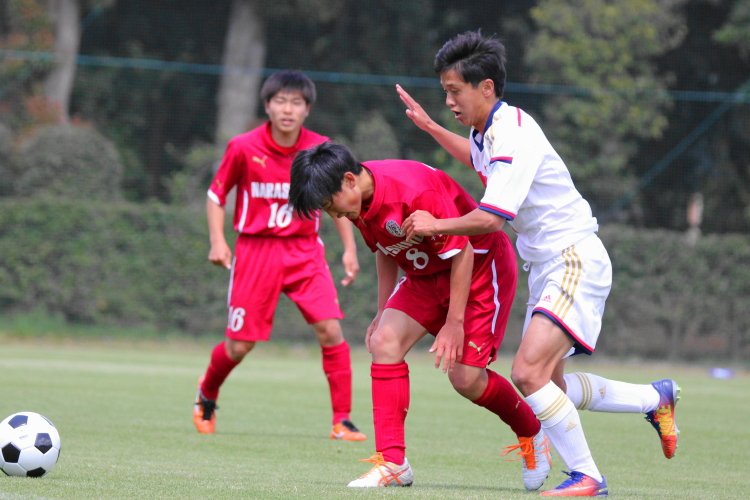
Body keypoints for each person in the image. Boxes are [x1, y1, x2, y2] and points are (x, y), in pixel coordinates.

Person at [396, 31, 681, 497]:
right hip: (549, 264)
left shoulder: (512, 134)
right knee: (551, 387)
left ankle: (588, 477)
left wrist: (433, 225)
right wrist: (431, 128)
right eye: (445, 91)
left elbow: (490, 218)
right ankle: (655, 398)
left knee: (527, 373)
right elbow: (477, 157)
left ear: (486, 87)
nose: (448, 100)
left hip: (572, 258)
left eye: (454, 91)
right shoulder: (486, 131)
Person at [289, 142, 552, 490]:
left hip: (477, 267)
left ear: (349, 180)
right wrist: (382, 312)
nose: (335, 216)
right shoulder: (357, 202)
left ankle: (532, 433)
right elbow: (384, 249)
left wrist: (452, 324)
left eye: (329, 206)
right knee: (384, 342)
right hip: (424, 274)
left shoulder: (412, 190)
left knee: (466, 380)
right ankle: (393, 463)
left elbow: (463, 254)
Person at [193, 70, 366, 442]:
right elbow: (216, 196)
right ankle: (206, 395)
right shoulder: (242, 147)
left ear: (307, 109)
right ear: (267, 105)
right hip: (256, 250)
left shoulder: (319, 148)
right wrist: (217, 241)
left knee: (331, 330)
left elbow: (341, 198)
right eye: (280, 101)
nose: (288, 109)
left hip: (304, 251)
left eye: (297, 102)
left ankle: (342, 420)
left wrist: (350, 250)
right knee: (240, 345)